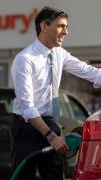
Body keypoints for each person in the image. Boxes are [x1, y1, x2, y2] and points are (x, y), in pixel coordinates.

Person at [11, 6, 101, 180]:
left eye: (66, 26)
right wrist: (52, 137)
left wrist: (53, 133)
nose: (65, 32)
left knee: (54, 176)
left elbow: (90, 72)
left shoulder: (59, 54)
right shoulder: (25, 59)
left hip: (50, 123)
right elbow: (28, 108)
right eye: (60, 26)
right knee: (24, 176)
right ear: (44, 26)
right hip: (26, 128)